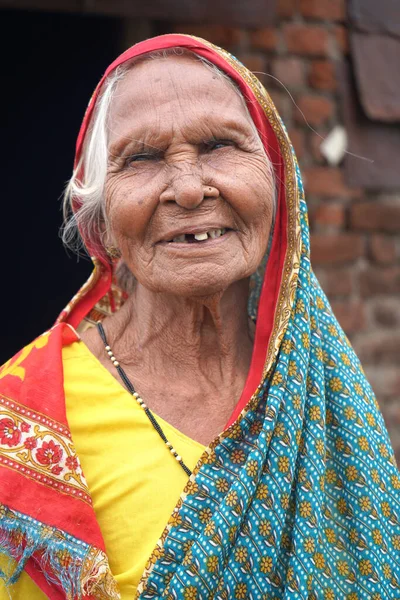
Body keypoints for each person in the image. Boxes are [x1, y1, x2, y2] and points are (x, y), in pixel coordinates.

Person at [0, 34, 399, 600]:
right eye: (141, 158)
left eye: (218, 146)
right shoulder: (23, 420)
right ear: (99, 225)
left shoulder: (323, 392)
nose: (188, 190)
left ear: (278, 186)